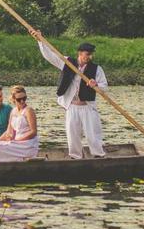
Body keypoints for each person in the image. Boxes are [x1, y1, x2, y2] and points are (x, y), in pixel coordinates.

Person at [31, 30, 107, 159]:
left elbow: (104, 86)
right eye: (87, 54)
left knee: (93, 133)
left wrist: (96, 85)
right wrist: (40, 40)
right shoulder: (67, 62)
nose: (89, 57)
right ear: (80, 53)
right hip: (72, 106)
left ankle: (98, 155)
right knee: (73, 133)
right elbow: (50, 56)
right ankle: (75, 156)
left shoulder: (96, 69)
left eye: (91, 55)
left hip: (87, 106)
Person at [0, 85, 39, 162]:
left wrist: (18, 140)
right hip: (17, 144)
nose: (22, 101)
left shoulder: (28, 111)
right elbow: (8, 132)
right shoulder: (13, 111)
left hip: (27, 145)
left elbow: (33, 132)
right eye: (19, 99)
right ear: (13, 99)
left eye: (24, 98)